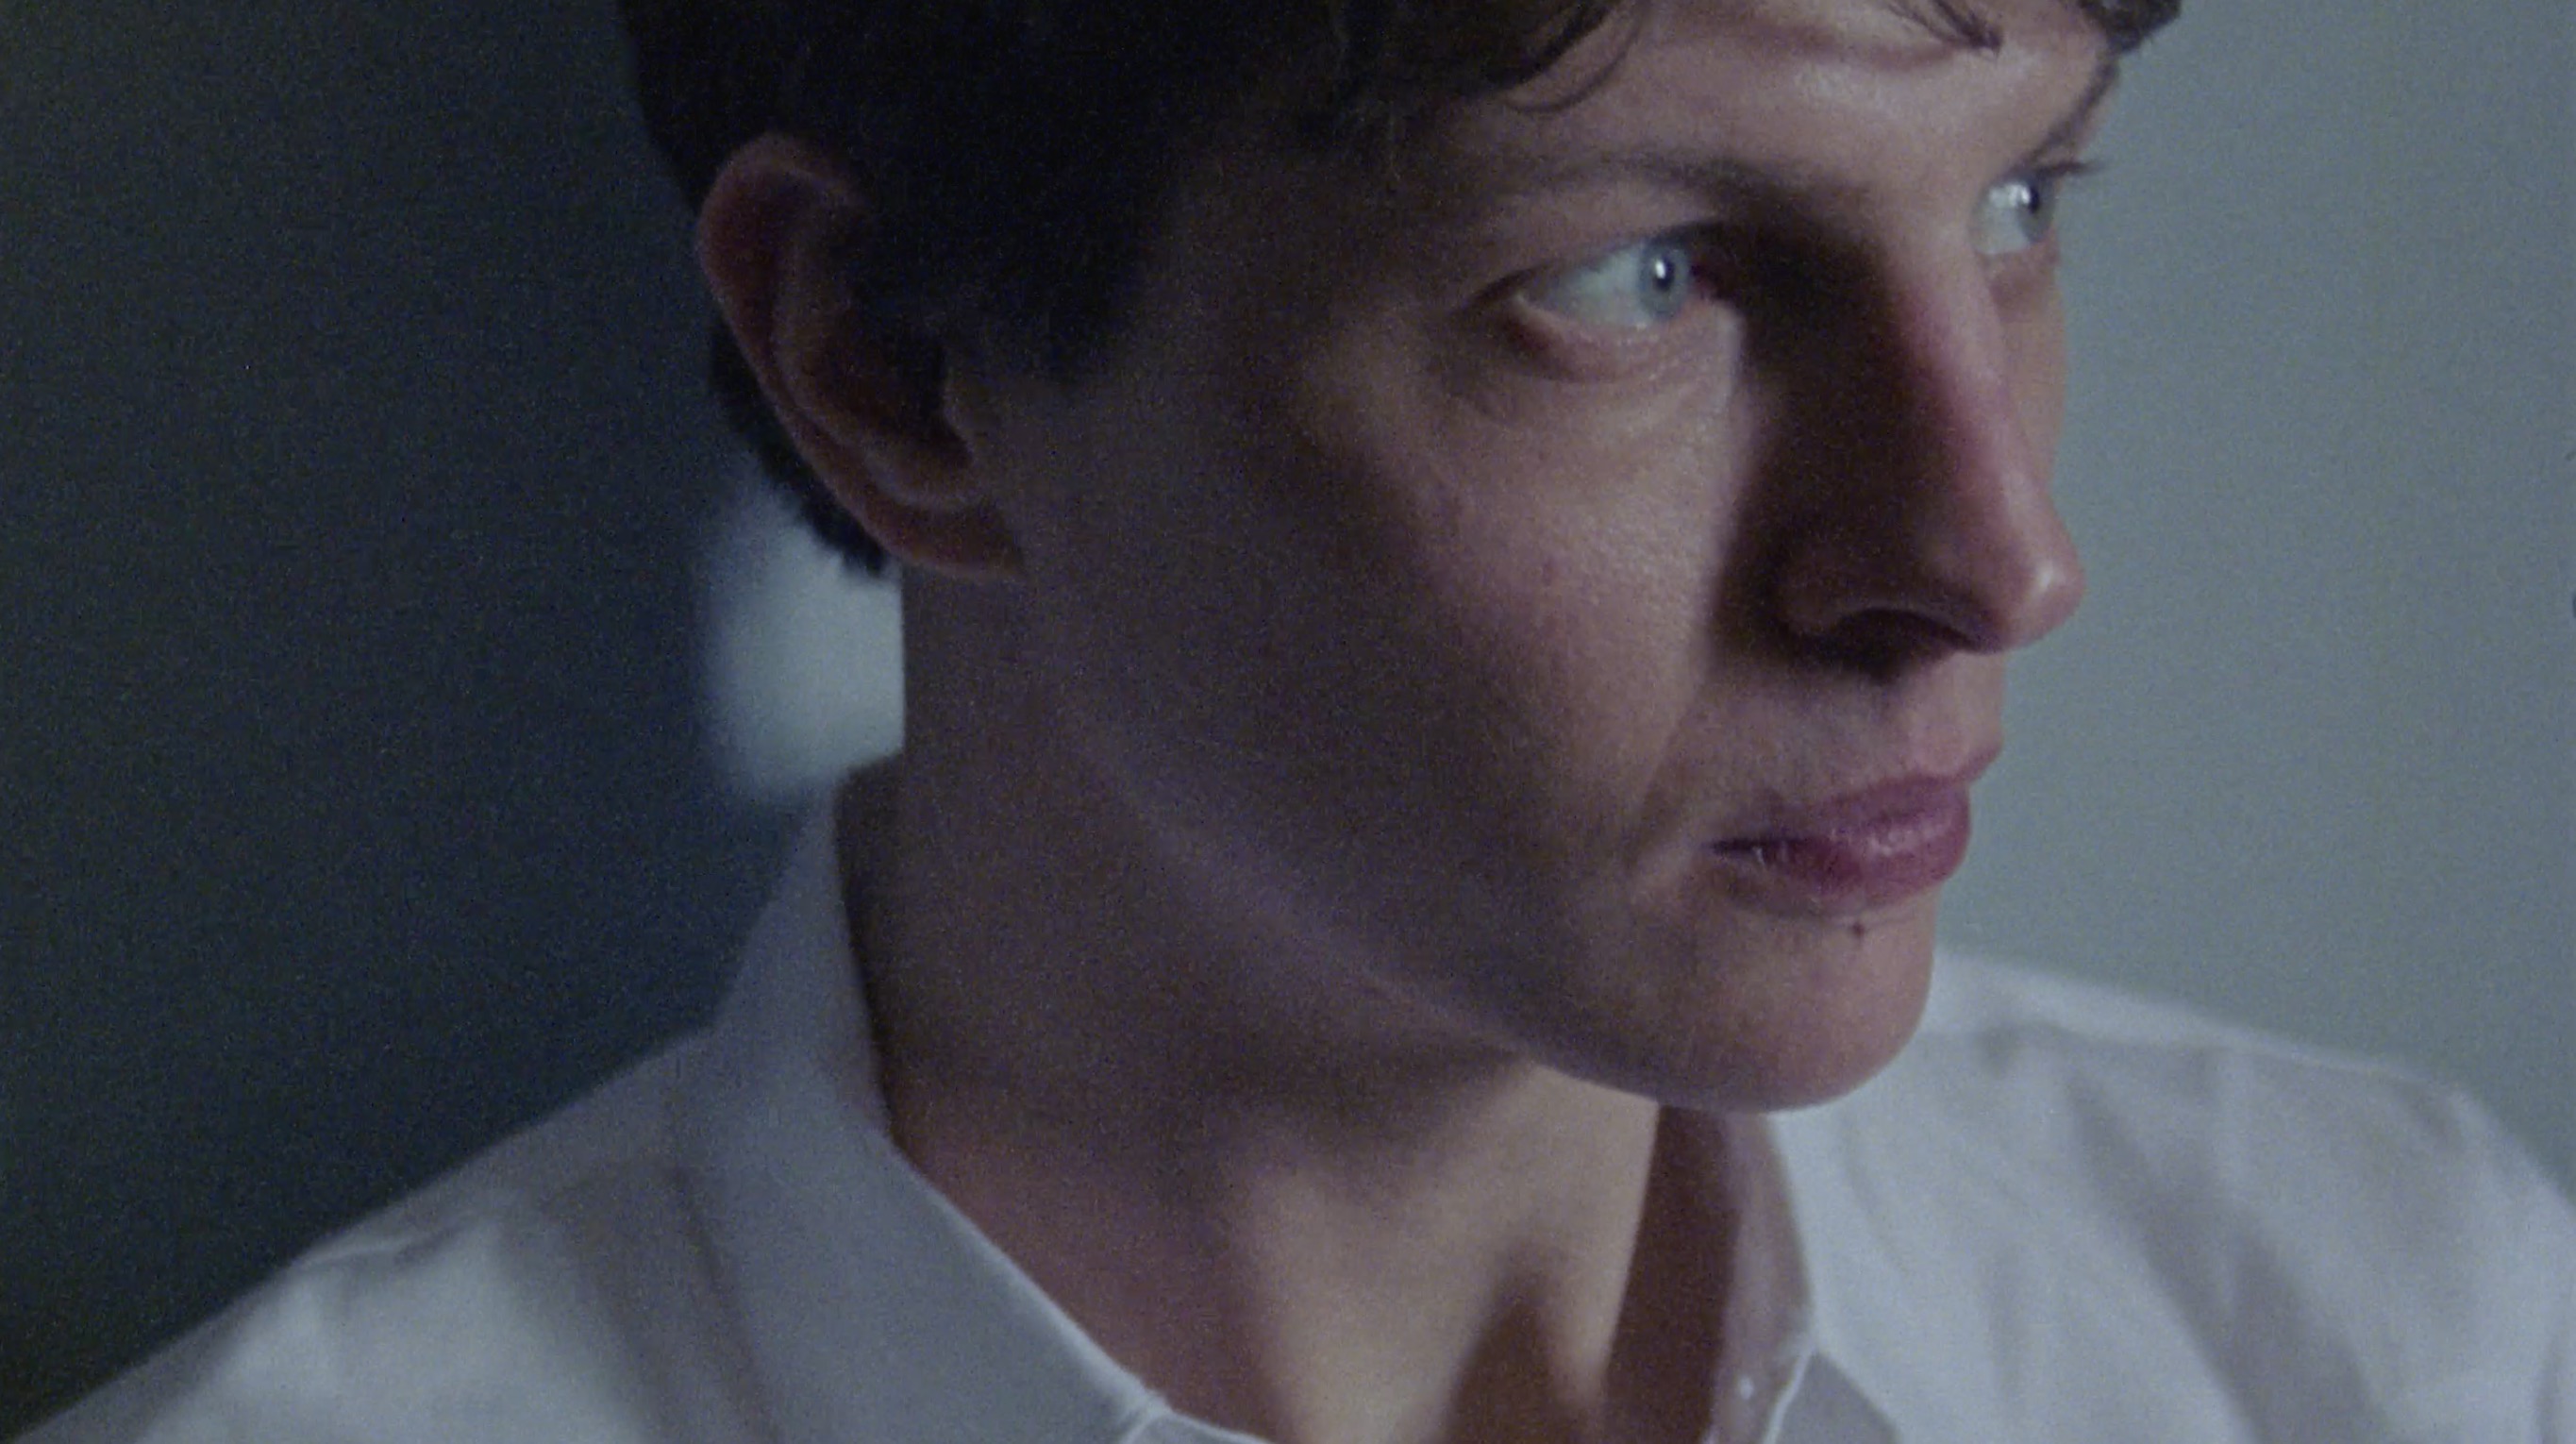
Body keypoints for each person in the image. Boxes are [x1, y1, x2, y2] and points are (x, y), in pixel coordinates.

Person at [25, 0, 2576, 1440]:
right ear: (893, 361)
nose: (1996, 554)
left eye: (2021, 203)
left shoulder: (2396, 1326)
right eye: (1639, 277)